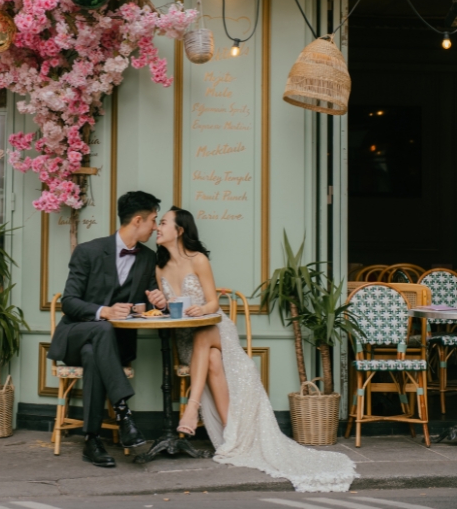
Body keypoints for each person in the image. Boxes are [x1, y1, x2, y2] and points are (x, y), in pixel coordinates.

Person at [155, 207, 356, 492]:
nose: (157, 228)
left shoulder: (198, 260)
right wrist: (160, 303)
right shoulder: (159, 266)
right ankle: (231, 437)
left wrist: (202, 308)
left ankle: (191, 409)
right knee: (210, 356)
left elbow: (213, 303)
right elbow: (166, 307)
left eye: (163, 223)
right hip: (187, 338)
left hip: (215, 328)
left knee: (206, 335)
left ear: (180, 230)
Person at [48, 190, 168, 468]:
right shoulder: (88, 251)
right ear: (138, 220)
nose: (155, 226)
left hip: (114, 347)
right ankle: (124, 414)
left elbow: (147, 301)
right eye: (153, 220)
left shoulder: (148, 258)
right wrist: (105, 312)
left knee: (94, 352)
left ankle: (92, 440)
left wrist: (159, 302)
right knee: (98, 332)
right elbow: (69, 302)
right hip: (76, 336)